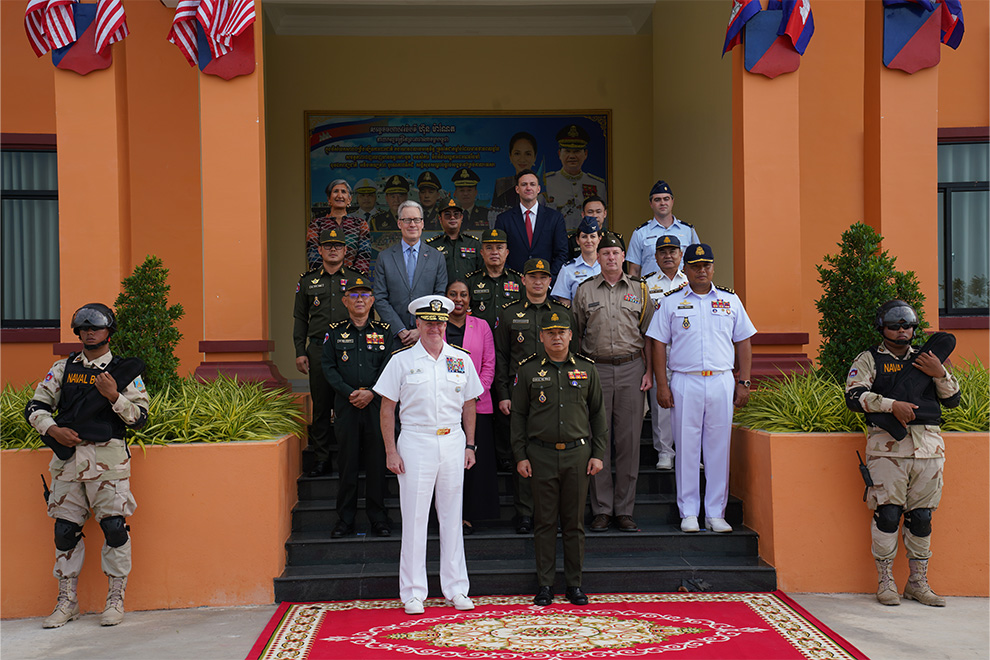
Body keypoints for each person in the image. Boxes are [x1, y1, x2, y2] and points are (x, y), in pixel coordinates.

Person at [25, 303, 150, 628]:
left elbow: (140, 419)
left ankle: (115, 599)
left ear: (109, 332)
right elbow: (35, 407)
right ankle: (67, 602)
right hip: (68, 464)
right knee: (65, 532)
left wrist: (114, 396)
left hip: (108, 464)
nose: (89, 332)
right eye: (83, 327)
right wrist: (52, 429)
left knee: (114, 529)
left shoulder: (124, 372)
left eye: (96, 327)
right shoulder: (63, 368)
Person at [845, 300, 960, 607]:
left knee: (922, 518)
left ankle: (917, 582)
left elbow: (953, 401)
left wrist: (939, 374)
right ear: (882, 328)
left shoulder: (931, 357)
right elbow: (854, 396)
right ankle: (885, 580)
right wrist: (890, 405)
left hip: (929, 448)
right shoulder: (870, 359)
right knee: (888, 514)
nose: (901, 331)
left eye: (906, 325)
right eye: (894, 326)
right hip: (888, 449)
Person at [374, 295, 484, 616]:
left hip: (452, 441)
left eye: (440, 321)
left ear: (446, 323)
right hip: (415, 440)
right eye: (428, 321)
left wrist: (470, 445)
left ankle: (456, 588)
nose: (435, 327)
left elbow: (469, 404)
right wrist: (391, 450)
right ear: (417, 324)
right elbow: (387, 407)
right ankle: (412, 592)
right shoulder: (401, 360)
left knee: (452, 517)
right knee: (415, 518)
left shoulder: (460, 359)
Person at [648, 244, 755, 534]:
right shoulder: (670, 302)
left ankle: (715, 513)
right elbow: (658, 344)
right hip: (685, 379)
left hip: (721, 379)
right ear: (686, 269)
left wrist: (744, 381)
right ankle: (689, 512)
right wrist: (662, 384)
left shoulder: (730, 300)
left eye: (706, 265)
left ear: (713, 267)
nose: (701, 271)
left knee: (719, 448)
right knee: (686, 447)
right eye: (695, 266)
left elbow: (743, 340)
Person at [512, 311, 607, 606]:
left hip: (578, 455)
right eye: (550, 332)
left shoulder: (587, 369)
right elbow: (518, 416)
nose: (556, 337)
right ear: (541, 337)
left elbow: (598, 414)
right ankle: (545, 585)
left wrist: (598, 454)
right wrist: (520, 455)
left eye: (561, 332)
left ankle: (574, 585)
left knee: (574, 523)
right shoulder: (528, 371)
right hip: (540, 454)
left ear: (570, 336)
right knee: (544, 522)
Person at [571, 232, 654, 533]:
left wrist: (650, 373)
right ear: (598, 256)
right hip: (596, 371)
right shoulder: (584, 291)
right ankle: (603, 509)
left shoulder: (640, 290)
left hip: (632, 368)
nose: (610, 258)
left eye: (615, 253)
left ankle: (625, 510)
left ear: (623, 256)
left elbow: (649, 336)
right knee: (598, 440)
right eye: (605, 253)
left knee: (629, 442)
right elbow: (576, 335)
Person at [494, 258, 573, 533]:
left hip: (558, 392)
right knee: (523, 452)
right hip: (521, 395)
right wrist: (503, 394)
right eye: (532, 277)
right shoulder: (508, 313)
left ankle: (554, 513)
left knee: (555, 455)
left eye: (543, 277)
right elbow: (501, 357)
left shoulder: (563, 313)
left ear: (550, 281)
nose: (538, 281)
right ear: (523, 280)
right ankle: (525, 512)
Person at [322, 276, 395, 539]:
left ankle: (378, 517)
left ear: (373, 300)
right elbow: (328, 367)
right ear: (345, 301)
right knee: (348, 463)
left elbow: (391, 365)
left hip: (377, 406)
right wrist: (349, 392)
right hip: (347, 406)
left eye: (365, 295)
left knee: (377, 463)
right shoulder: (334, 331)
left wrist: (371, 391)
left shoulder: (384, 331)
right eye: (354, 295)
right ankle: (346, 519)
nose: (360, 299)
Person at [294, 229, 365, 477]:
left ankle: (356, 457)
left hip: (351, 349)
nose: (333, 249)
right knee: (321, 406)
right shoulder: (307, 281)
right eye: (328, 246)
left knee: (352, 403)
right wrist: (299, 351)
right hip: (318, 349)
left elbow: (367, 315)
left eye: (338, 245)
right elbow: (301, 318)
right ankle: (322, 458)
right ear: (320, 250)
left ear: (346, 251)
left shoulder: (358, 279)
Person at [444, 280, 499, 534]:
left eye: (464, 294)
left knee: (473, 464)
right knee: (448, 465)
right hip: (444, 408)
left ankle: (470, 514)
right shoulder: (437, 326)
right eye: (453, 294)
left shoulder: (482, 326)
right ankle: (447, 516)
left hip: (478, 405)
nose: (459, 299)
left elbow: (489, 363)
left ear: (470, 298)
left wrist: (475, 393)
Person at [373, 200, 448, 345]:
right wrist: (399, 329)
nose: (412, 224)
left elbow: (439, 295)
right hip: (394, 337)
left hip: (427, 335)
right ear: (399, 223)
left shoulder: (437, 257)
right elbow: (380, 298)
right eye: (407, 220)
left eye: (416, 220)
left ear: (422, 223)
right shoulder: (385, 257)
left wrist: (421, 329)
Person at [643, 235, 687, 470]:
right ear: (656, 257)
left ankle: (687, 452)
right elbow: (643, 327)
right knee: (661, 405)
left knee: (688, 406)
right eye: (663, 252)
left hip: (686, 354)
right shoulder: (646, 284)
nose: (668, 256)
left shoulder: (692, 280)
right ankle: (665, 452)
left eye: (673, 251)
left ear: (680, 255)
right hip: (659, 352)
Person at [494, 169, 568, 278]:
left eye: (532, 184)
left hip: (546, 284)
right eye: (524, 184)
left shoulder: (555, 218)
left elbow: (562, 253)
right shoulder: (504, 219)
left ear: (538, 189)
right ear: (517, 189)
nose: (528, 188)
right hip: (514, 284)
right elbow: (499, 253)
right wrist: (513, 278)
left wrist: (548, 279)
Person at [626, 180, 700, 278]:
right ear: (651, 204)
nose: (662, 203)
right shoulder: (640, 233)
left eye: (666, 199)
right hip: (651, 290)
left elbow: (697, 263)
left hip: (683, 289)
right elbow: (634, 271)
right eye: (657, 200)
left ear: (672, 201)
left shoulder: (688, 230)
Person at [543, 124, 607, 231]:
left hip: (588, 241)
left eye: (576, 151)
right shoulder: (547, 182)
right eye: (567, 151)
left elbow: (603, 223)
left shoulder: (598, 184)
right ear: (559, 154)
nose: (572, 156)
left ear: (585, 154)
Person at [306, 179, 372, 273]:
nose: (339, 196)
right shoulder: (316, 224)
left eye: (344, 192)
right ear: (329, 198)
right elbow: (313, 255)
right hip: (323, 280)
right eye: (335, 191)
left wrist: (355, 279)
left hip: (353, 281)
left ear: (349, 199)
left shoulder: (360, 224)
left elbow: (364, 255)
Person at [464, 228, 523, 332]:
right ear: (482, 252)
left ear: (507, 252)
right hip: (479, 336)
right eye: (489, 248)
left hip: (511, 338)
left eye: (499, 248)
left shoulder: (518, 281)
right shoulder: (471, 281)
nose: (494, 252)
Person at [426, 199, 483, 284]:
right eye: (447, 215)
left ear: (461, 218)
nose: (452, 217)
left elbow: (482, 273)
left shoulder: (474, 244)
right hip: (442, 295)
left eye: (456, 214)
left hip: (469, 295)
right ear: (440, 219)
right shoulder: (431, 246)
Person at [551, 216, 602, 306]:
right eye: (584, 237)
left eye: (593, 236)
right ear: (577, 240)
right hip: (578, 319)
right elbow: (565, 306)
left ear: (599, 239)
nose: (589, 240)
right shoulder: (568, 269)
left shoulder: (607, 266)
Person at [492, 131, 539, 210]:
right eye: (517, 153)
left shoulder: (543, 184)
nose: (522, 159)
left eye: (527, 154)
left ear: (535, 157)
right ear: (510, 156)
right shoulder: (502, 184)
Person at [566, 196, 608, 261]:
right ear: (583, 214)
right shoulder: (571, 240)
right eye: (590, 212)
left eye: (598, 212)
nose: (594, 216)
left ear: (605, 214)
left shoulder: (614, 239)